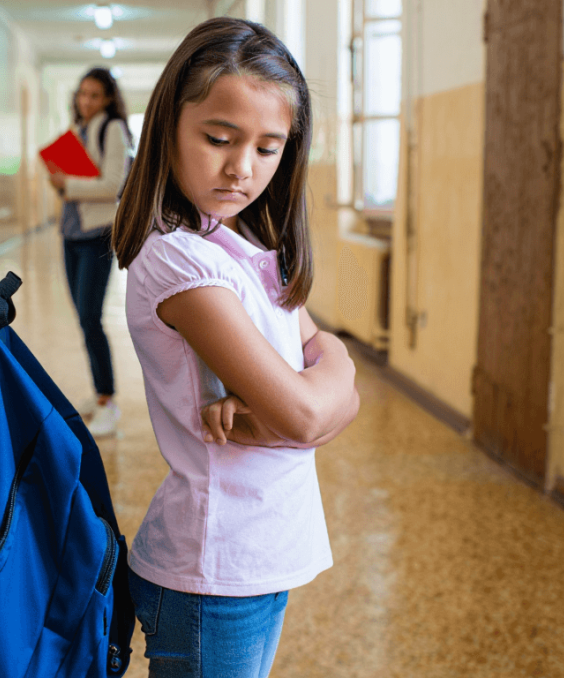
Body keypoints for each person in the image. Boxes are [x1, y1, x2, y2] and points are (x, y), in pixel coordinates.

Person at [110, 17, 361, 676]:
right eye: (218, 138)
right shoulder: (178, 263)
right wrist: (323, 386)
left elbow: (325, 370)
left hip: (253, 557)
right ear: (168, 128)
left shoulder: (245, 244)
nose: (241, 168)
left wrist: (332, 368)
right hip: (212, 571)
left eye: (268, 147)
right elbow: (309, 411)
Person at [47, 67, 133, 437]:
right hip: (72, 232)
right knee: (84, 318)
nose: (86, 101)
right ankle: (99, 394)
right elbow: (77, 185)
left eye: (95, 95)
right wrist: (62, 184)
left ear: (109, 99)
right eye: (83, 94)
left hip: (97, 233)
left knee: (91, 318)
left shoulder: (111, 128)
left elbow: (113, 185)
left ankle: (108, 401)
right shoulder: (79, 130)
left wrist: (69, 183)